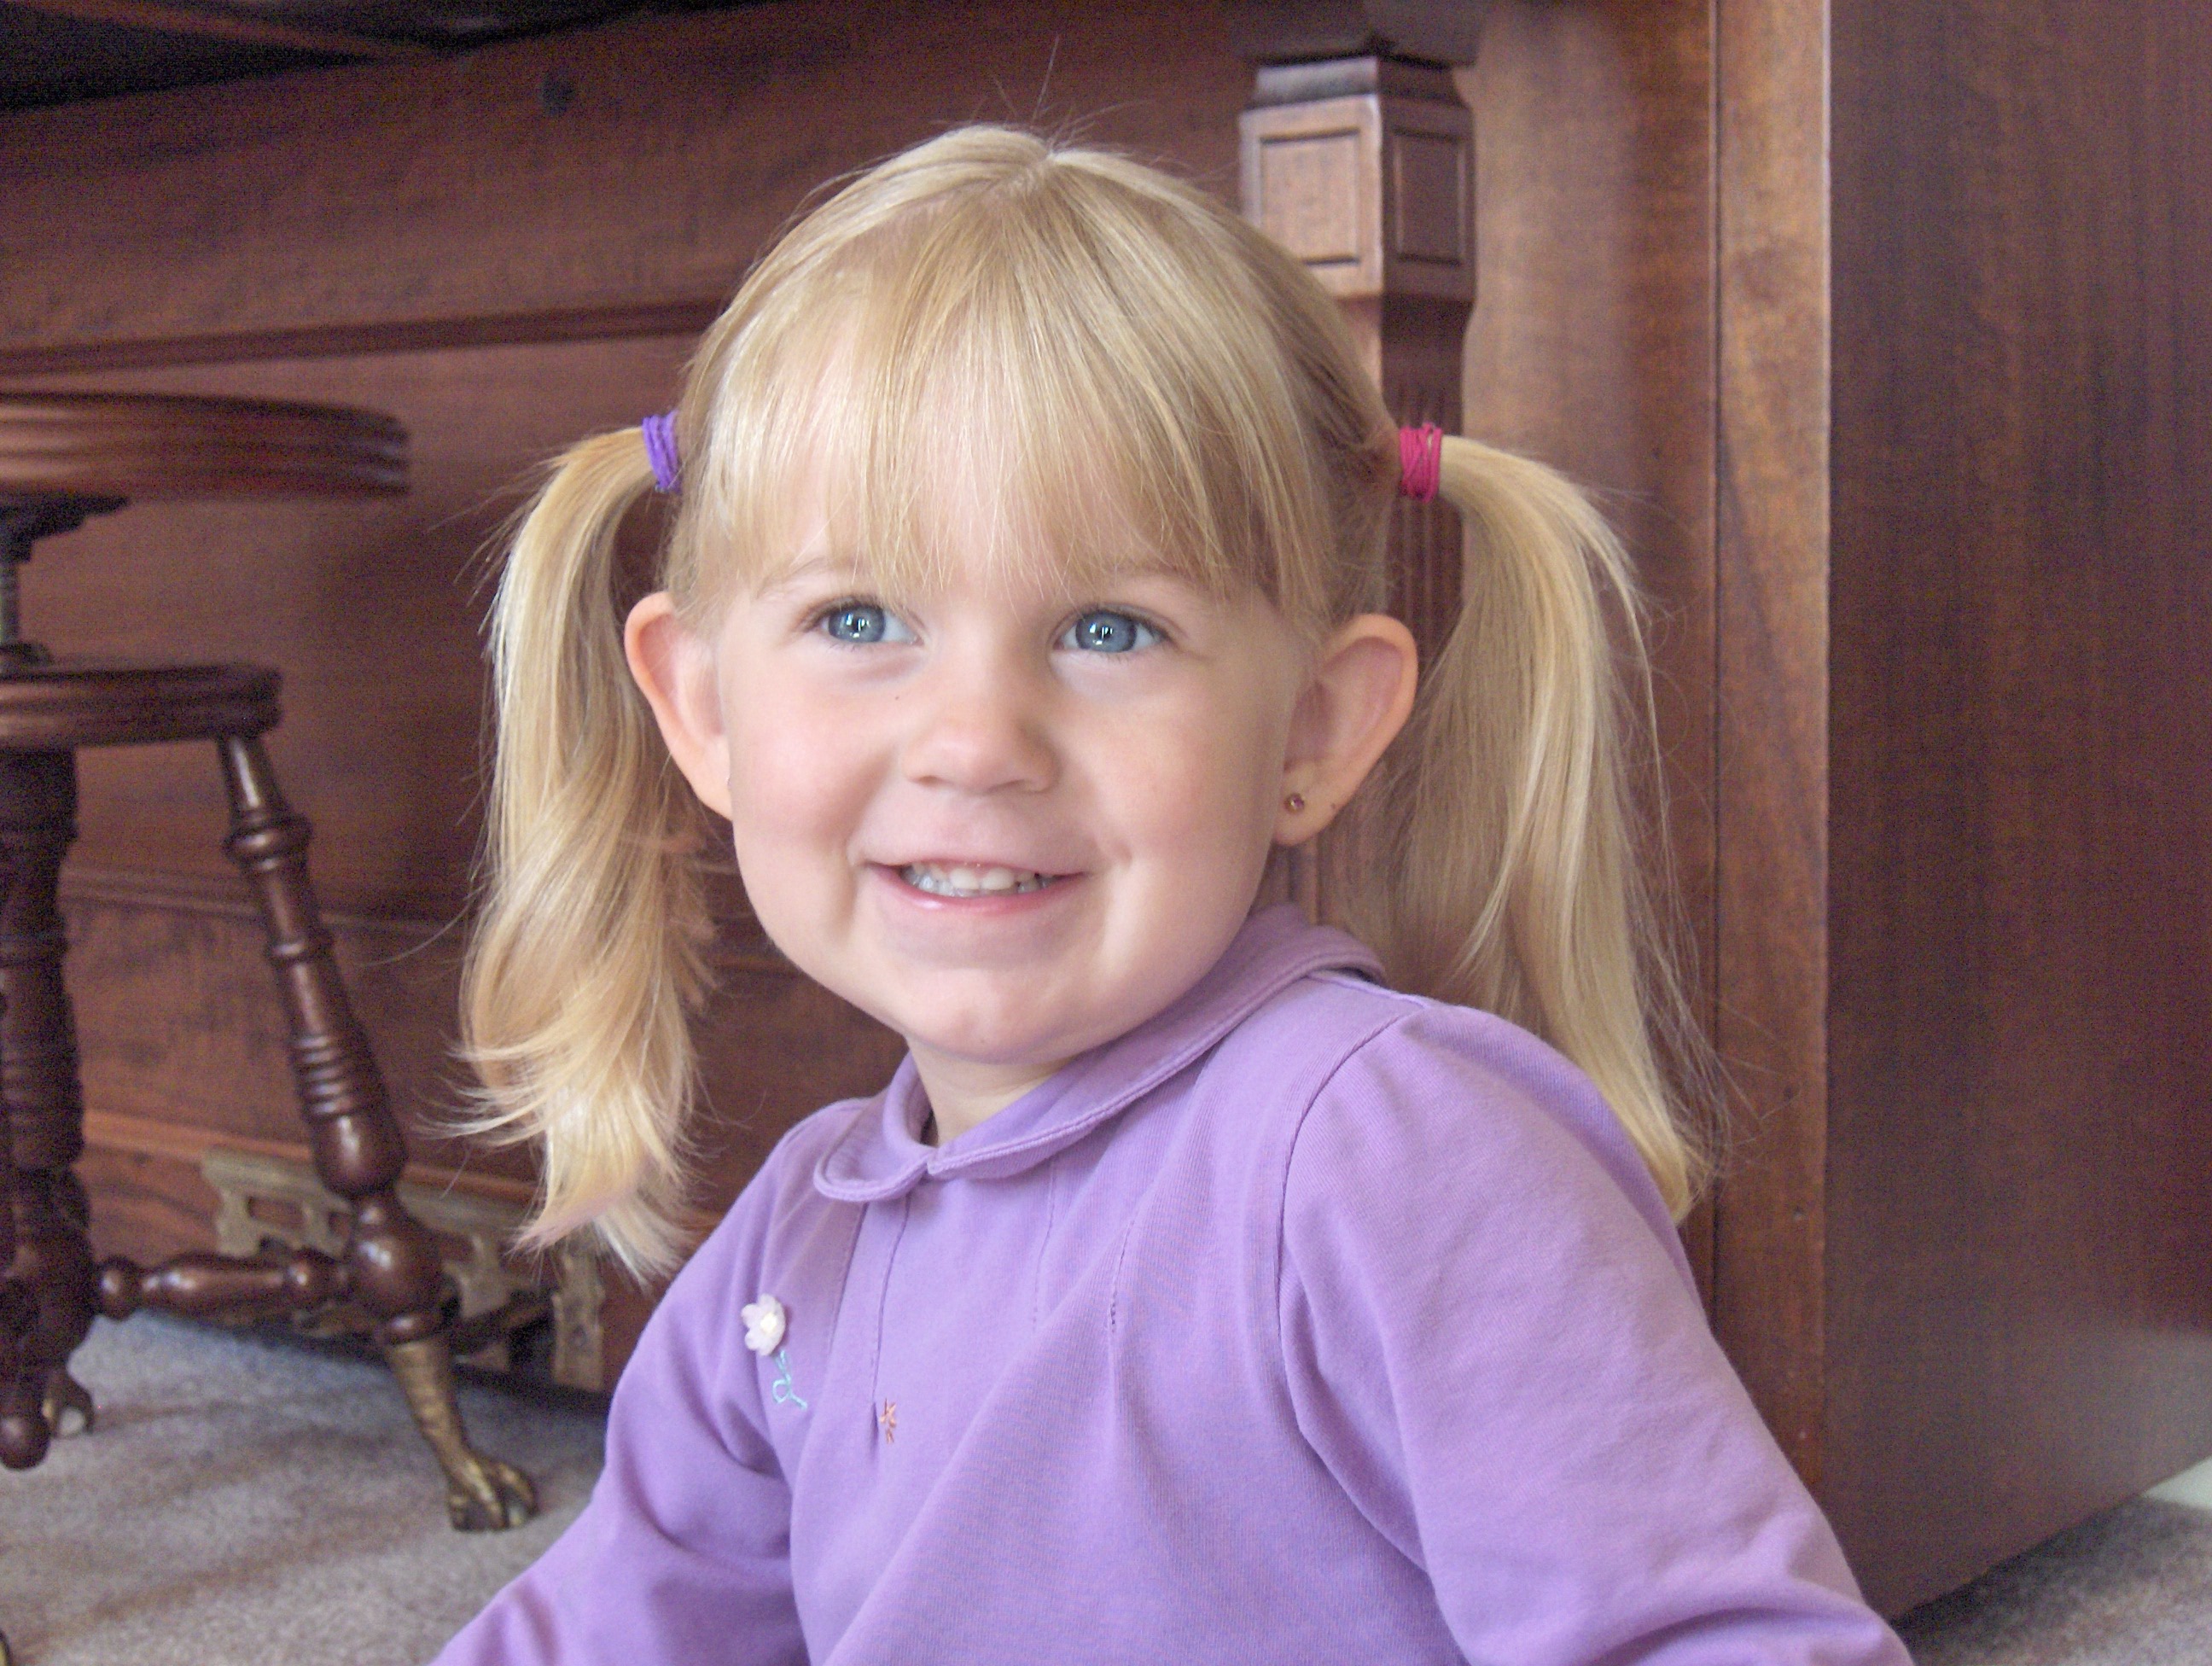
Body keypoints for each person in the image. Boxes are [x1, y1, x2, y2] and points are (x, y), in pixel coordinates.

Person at [434, 125, 1911, 1664]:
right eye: (860, 618)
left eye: (1110, 630)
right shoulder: (797, 1241)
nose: (976, 743)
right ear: (705, 711)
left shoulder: (1388, 1156)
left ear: (1314, 729)